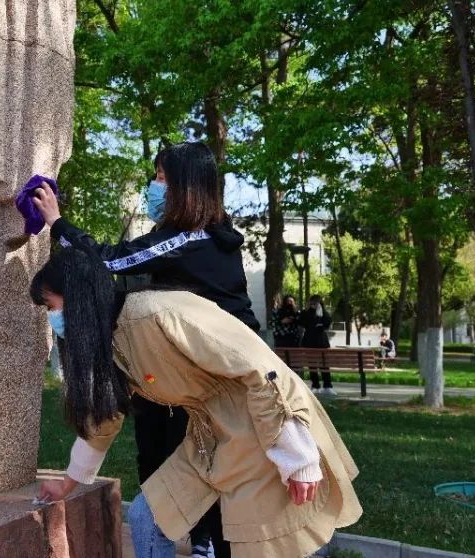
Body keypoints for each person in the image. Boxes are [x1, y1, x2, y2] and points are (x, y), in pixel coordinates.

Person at [30, 249, 362, 558]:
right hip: (210, 441)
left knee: (264, 544)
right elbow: (105, 419)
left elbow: (261, 368)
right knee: (148, 516)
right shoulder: (115, 339)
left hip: (262, 438)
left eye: (51, 306)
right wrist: (68, 482)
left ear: (79, 297)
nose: (53, 318)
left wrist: (299, 458)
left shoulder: (157, 314)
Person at [33, 141, 256, 558]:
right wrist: (69, 482)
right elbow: (107, 415)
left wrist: (58, 225)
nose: (153, 187)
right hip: (175, 377)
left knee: (183, 494)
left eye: (160, 178)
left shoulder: (192, 238)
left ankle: (207, 542)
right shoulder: (179, 240)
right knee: (154, 490)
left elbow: (110, 262)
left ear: (185, 187)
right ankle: (203, 540)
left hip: (213, 386)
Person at [299, 295, 334, 394]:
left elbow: (327, 323)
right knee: (312, 365)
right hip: (310, 342)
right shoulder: (306, 313)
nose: (314, 305)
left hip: (321, 342)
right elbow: (302, 322)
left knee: (324, 365)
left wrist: (320, 313)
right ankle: (315, 385)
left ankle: (327, 385)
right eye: (312, 303)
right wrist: (311, 312)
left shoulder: (323, 312)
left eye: (316, 303)